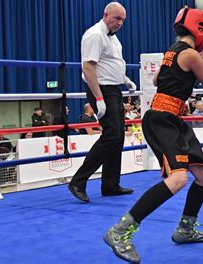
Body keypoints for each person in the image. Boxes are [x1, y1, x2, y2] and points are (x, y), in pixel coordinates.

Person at [103, 7, 203, 263]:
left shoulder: (172, 51)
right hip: (163, 121)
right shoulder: (190, 55)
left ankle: (185, 228)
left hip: (169, 119)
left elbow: (157, 80)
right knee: (178, 179)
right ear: (201, 30)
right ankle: (120, 231)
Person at [67, 2, 137, 203]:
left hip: (114, 89)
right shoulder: (95, 34)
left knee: (118, 137)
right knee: (112, 135)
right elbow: (88, 68)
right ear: (106, 15)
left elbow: (111, 63)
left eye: (123, 20)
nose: (120, 23)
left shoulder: (112, 39)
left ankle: (110, 184)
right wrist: (99, 98)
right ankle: (78, 181)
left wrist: (125, 79)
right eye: (117, 18)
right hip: (102, 90)